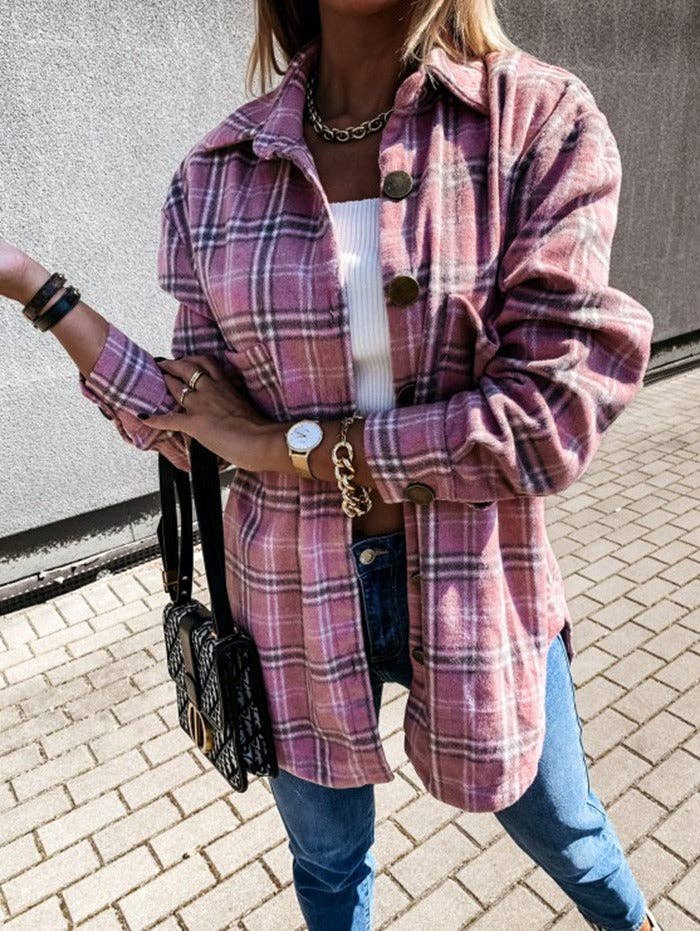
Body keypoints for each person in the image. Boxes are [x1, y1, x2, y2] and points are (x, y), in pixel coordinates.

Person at [1, 1, 662, 929]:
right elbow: (198, 423)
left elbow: (546, 418)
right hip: (286, 600)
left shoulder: (532, 122)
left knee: (569, 830)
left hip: (480, 584)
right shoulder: (216, 174)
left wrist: (284, 447)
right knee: (326, 864)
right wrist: (30, 283)